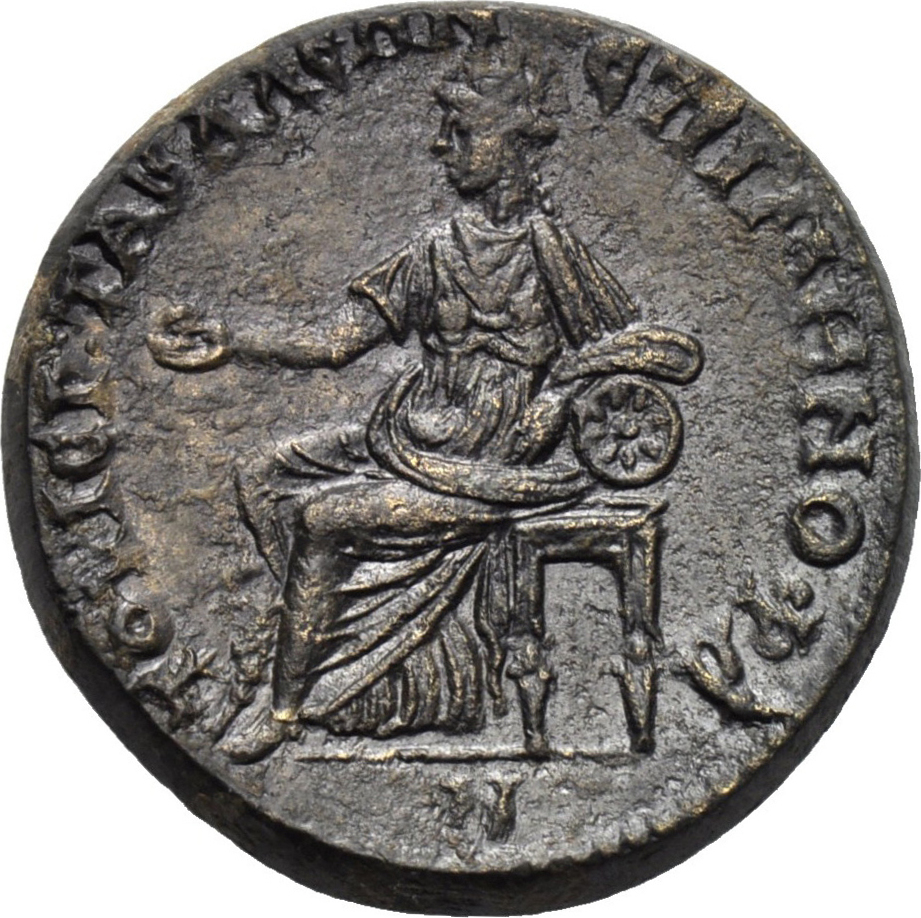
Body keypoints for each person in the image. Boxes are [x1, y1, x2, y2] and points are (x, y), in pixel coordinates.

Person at [148, 53, 700, 763]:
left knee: (320, 521)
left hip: (491, 466)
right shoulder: (437, 248)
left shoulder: (551, 251)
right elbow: (338, 341)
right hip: (410, 437)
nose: (442, 145)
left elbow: (664, 354)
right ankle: (341, 653)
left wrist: (564, 386)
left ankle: (285, 708)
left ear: (510, 143)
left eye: (460, 130)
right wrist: (232, 339)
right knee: (263, 472)